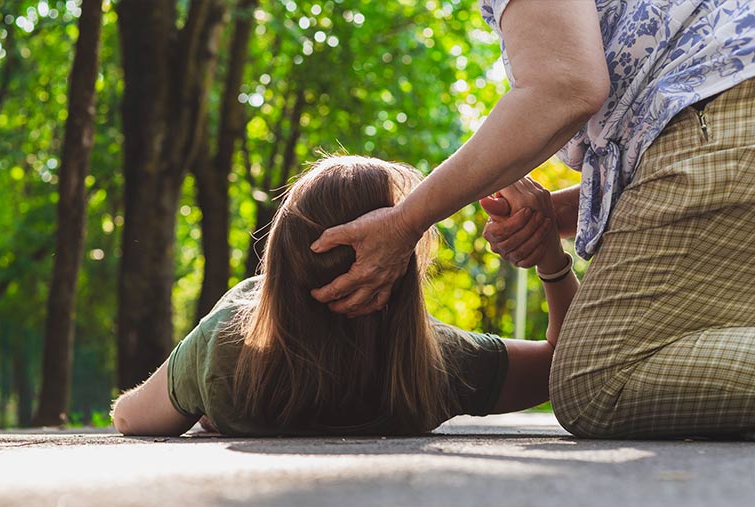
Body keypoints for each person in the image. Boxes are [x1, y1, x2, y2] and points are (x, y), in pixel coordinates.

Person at [308, 1, 755, 439]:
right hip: (726, 107)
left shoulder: (440, 361)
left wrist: (407, 221)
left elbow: (564, 85)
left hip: (723, 108)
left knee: (597, 383)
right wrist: (551, 223)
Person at [111, 156, 577, 437]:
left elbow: (130, 418)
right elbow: (565, 365)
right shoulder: (436, 363)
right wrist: (552, 262)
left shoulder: (226, 348)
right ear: (399, 271)